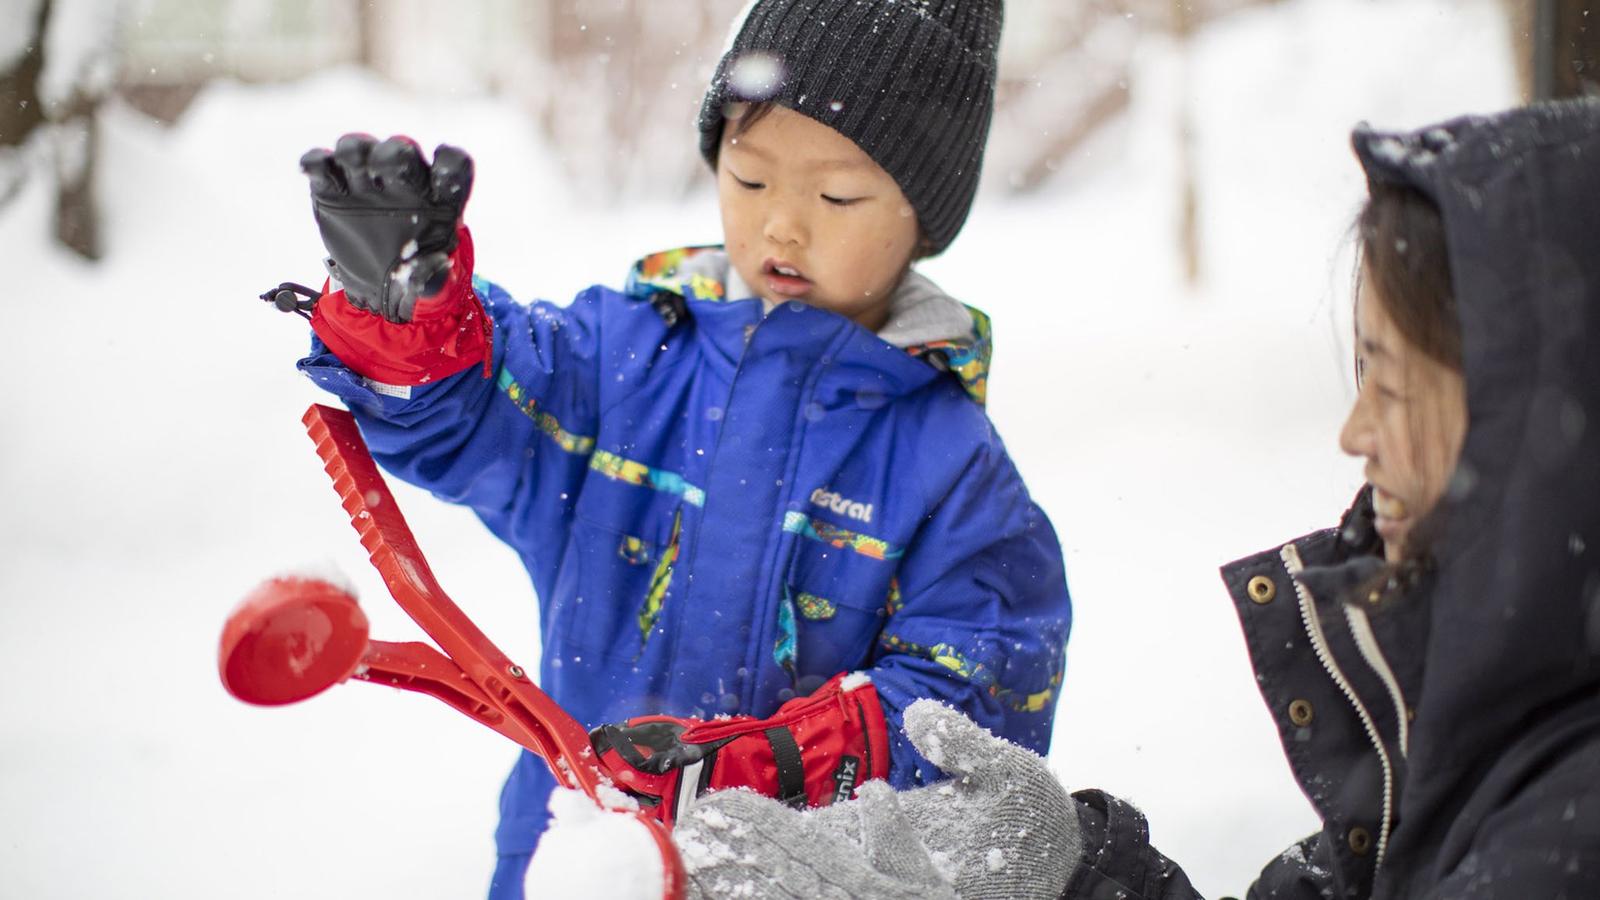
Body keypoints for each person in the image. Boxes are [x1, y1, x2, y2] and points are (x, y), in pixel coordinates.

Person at [659, 98, 1600, 899]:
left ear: (1543, 411)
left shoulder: (1558, 837)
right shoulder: (1478, 725)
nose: (1353, 433)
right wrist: (1072, 871)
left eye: (1391, 386)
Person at [274, 1, 1072, 897]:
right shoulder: (625, 361)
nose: (781, 227)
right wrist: (412, 326)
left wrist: (762, 765)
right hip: (568, 858)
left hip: (787, 880)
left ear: (923, 218)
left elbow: (974, 710)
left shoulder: (953, 468)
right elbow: (478, 411)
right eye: (751, 177)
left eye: (837, 196)